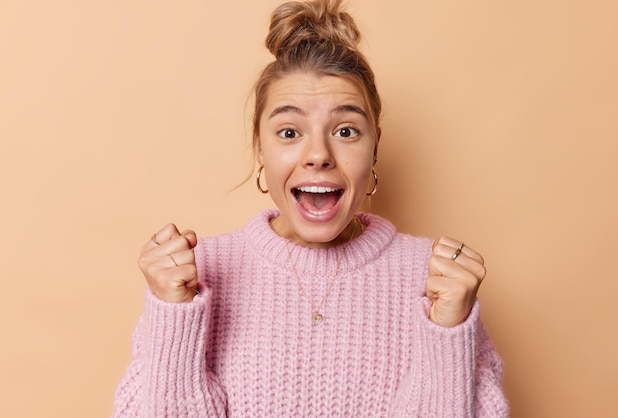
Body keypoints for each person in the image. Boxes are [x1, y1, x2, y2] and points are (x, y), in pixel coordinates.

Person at [112, 0, 509, 416]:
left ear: (375, 148)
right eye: (289, 131)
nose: (318, 154)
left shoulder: (436, 281)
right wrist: (174, 316)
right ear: (259, 149)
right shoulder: (198, 274)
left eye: (345, 130)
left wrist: (448, 331)